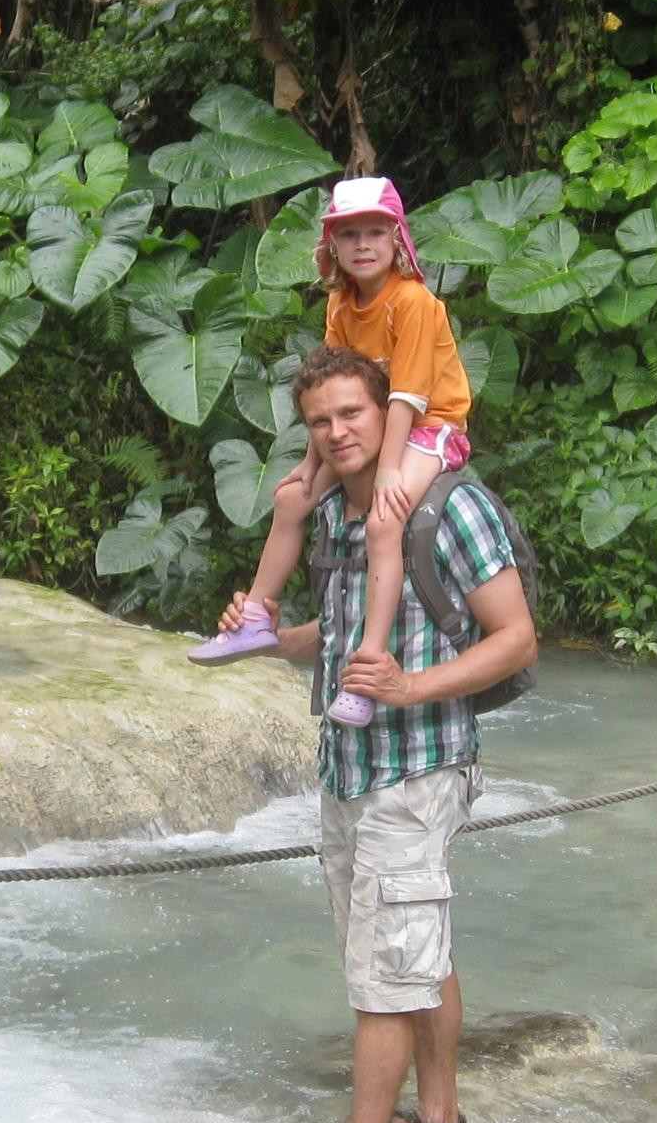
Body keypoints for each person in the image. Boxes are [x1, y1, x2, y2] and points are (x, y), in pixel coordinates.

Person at [228, 345, 537, 1123]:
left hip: (418, 766)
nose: (337, 432)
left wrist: (410, 687)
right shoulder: (338, 518)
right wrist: (264, 638)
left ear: (386, 414)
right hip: (350, 771)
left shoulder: (447, 507)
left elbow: (514, 639)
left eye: (351, 414)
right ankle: (438, 1116)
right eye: (320, 420)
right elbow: (337, 635)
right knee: (410, 953)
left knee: (381, 984)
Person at [186, 176, 475, 730]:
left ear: (395, 241)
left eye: (374, 233)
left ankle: (366, 671)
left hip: (429, 425)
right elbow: (334, 389)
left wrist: (389, 470)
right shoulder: (342, 303)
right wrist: (310, 464)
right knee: (291, 499)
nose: (363, 245)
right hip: (369, 425)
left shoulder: (412, 302)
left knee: (386, 522)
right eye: (350, 235)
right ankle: (253, 620)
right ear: (333, 246)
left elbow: (408, 394)